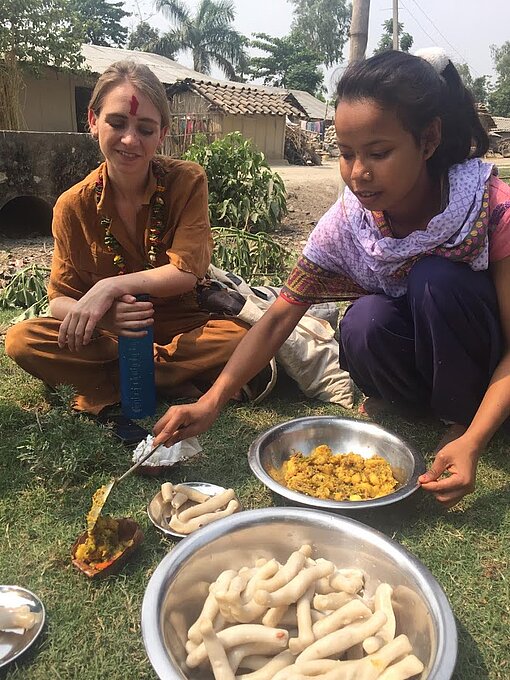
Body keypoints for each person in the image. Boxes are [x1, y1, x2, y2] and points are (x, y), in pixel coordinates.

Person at [152, 48, 510, 509]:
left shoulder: (487, 206)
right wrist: (212, 401)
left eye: (378, 153)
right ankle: (411, 406)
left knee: (434, 279)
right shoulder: (349, 222)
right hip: (425, 367)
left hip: (483, 368)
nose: (358, 173)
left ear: (428, 140)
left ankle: (462, 420)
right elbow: (281, 315)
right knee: (364, 320)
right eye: (345, 154)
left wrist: (475, 439)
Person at [5, 60, 251, 423]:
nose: (130, 140)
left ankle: (128, 380)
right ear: (92, 121)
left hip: (185, 327)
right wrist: (106, 317)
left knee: (241, 335)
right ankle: (173, 378)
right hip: (112, 336)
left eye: (146, 129)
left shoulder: (187, 181)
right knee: (22, 339)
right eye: (117, 123)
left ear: (162, 133)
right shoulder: (72, 206)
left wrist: (110, 286)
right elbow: (60, 299)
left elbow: (187, 271)